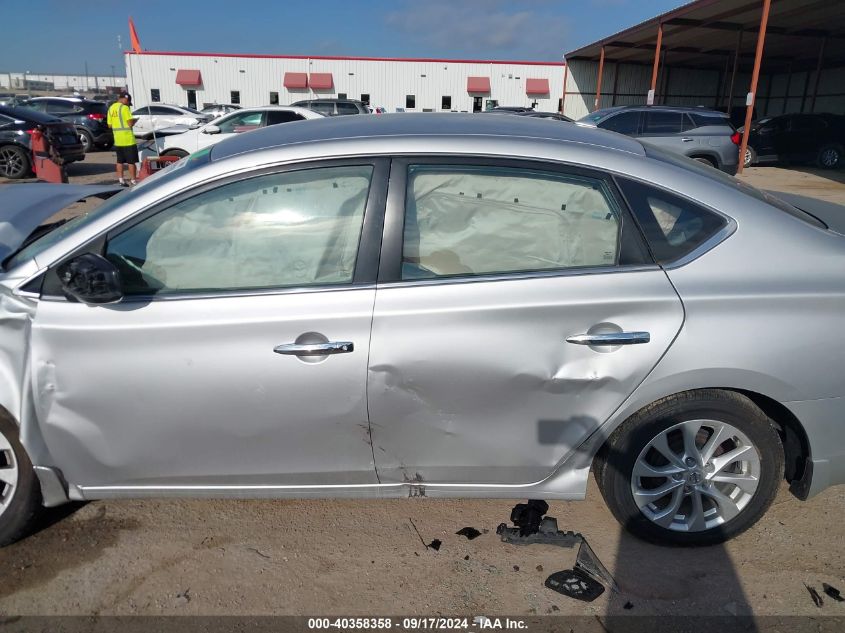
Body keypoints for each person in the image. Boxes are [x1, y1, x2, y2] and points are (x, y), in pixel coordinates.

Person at [107, 92, 138, 186]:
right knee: (131, 162)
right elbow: (129, 124)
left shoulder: (111, 108)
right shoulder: (124, 108)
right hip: (128, 139)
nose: (128, 104)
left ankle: (121, 180)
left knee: (119, 161)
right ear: (125, 99)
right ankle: (133, 180)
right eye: (128, 102)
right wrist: (134, 121)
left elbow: (109, 125)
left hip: (118, 140)